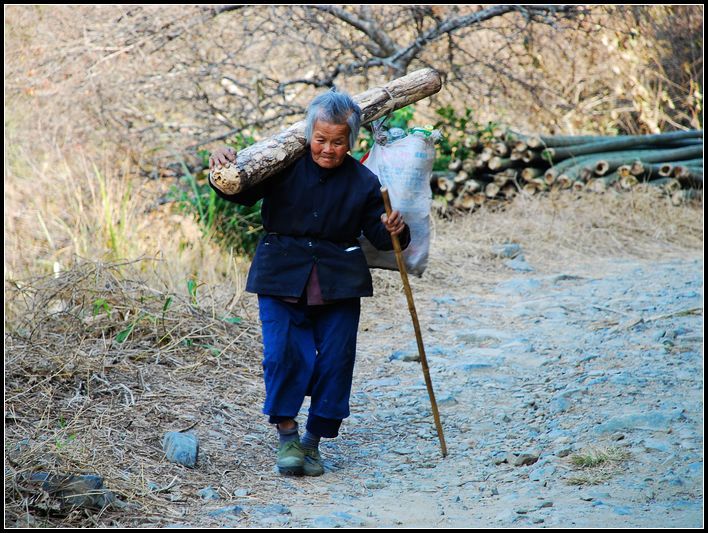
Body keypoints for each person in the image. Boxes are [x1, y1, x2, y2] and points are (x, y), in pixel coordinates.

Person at [208, 90, 410, 477]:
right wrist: (223, 167)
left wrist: (396, 229)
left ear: (351, 141)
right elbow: (239, 193)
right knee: (283, 353)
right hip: (281, 272)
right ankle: (287, 435)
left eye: (338, 141)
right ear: (308, 134)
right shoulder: (282, 164)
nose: (329, 150)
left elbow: (385, 240)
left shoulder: (364, 182)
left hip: (339, 280)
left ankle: (313, 443)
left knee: (335, 359)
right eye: (321, 139)